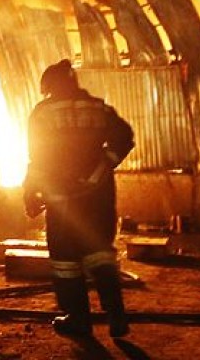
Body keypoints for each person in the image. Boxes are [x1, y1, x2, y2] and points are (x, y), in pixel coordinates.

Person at [23, 59, 134, 338]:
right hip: (98, 195)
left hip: (62, 198)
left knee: (65, 261)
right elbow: (125, 137)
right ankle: (116, 316)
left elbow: (37, 157)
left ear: (49, 86)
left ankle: (78, 318)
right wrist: (104, 165)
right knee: (99, 253)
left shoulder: (42, 113)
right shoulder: (98, 107)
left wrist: (30, 191)